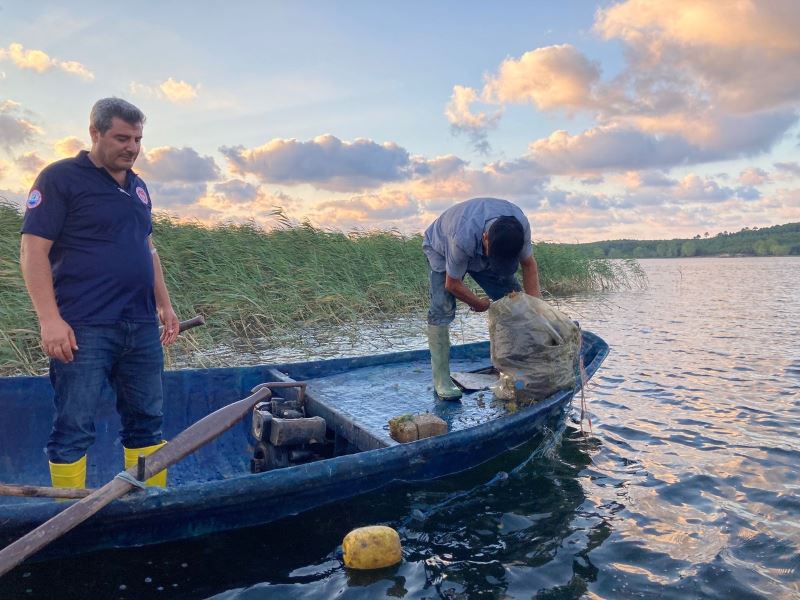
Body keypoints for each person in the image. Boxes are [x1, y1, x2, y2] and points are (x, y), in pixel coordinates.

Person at [19, 98, 180, 490]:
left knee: (147, 420)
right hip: (84, 326)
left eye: (138, 139)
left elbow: (148, 248)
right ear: (95, 132)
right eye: (122, 138)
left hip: (140, 326)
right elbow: (32, 251)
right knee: (73, 426)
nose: (132, 147)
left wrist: (165, 305)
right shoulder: (60, 179)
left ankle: (150, 502)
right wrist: (50, 321)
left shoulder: (139, 188)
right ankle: (69, 514)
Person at [422, 197, 541, 400]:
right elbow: (452, 284)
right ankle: (441, 379)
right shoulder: (462, 237)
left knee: (514, 301)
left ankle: (513, 367)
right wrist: (479, 304)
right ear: (485, 238)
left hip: (484, 250)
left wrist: (537, 313)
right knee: (442, 308)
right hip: (440, 248)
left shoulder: (520, 226)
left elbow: (529, 266)